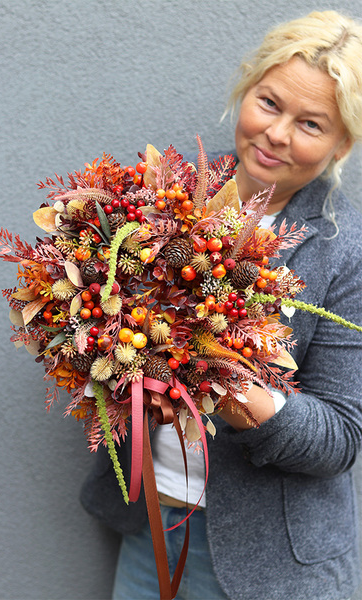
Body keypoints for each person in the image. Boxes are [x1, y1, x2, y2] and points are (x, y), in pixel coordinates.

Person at [80, 11, 362, 600]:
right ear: (245, 90)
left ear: (343, 142)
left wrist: (206, 370)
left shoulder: (346, 252)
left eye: (310, 123)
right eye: (269, 103)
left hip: (271, 564)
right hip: (149, 526)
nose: (277, 133)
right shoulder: (161, 199)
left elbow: (338, 438)